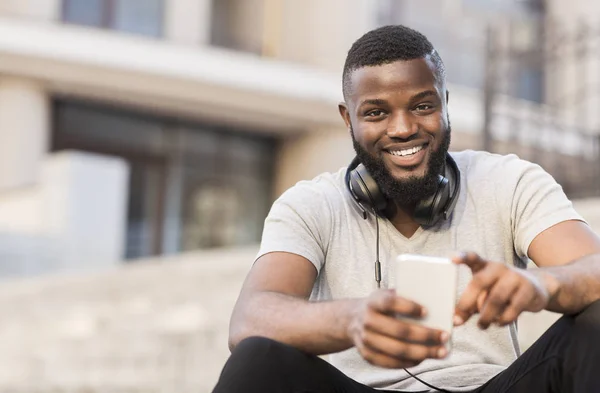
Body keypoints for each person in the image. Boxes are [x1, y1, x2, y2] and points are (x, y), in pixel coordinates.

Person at [211, 25, 600, 393]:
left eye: (422, 106)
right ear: (348, 119)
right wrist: (351, 319)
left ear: (445, 105)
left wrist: (542, 284)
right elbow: (251, 318)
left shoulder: (510, 180)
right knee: (257, 358)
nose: (402, 129)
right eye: (376, 112)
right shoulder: (310, 204)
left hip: (492, 385)